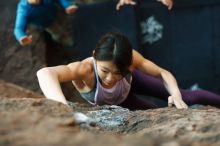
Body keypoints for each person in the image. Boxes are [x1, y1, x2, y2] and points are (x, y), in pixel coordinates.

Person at [37, 32, 220, 110]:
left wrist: (176, 94)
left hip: (135, 82)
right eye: (105, 71)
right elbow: (44, 73)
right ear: (94, 56)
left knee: (189, 98)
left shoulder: (132, 58)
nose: (111, 78)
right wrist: (62, 107)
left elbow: (163, 73)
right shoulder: (84, 69)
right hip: (123, 102)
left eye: (119, 72)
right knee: (156, 112)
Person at [14, 0, 78, 46]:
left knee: (63, 20)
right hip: (48, 24)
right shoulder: (23, 10)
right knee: (58, 33)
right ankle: (64, 40)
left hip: (55, 12)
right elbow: (19, 28)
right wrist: (21, 36)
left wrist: (67, 5)